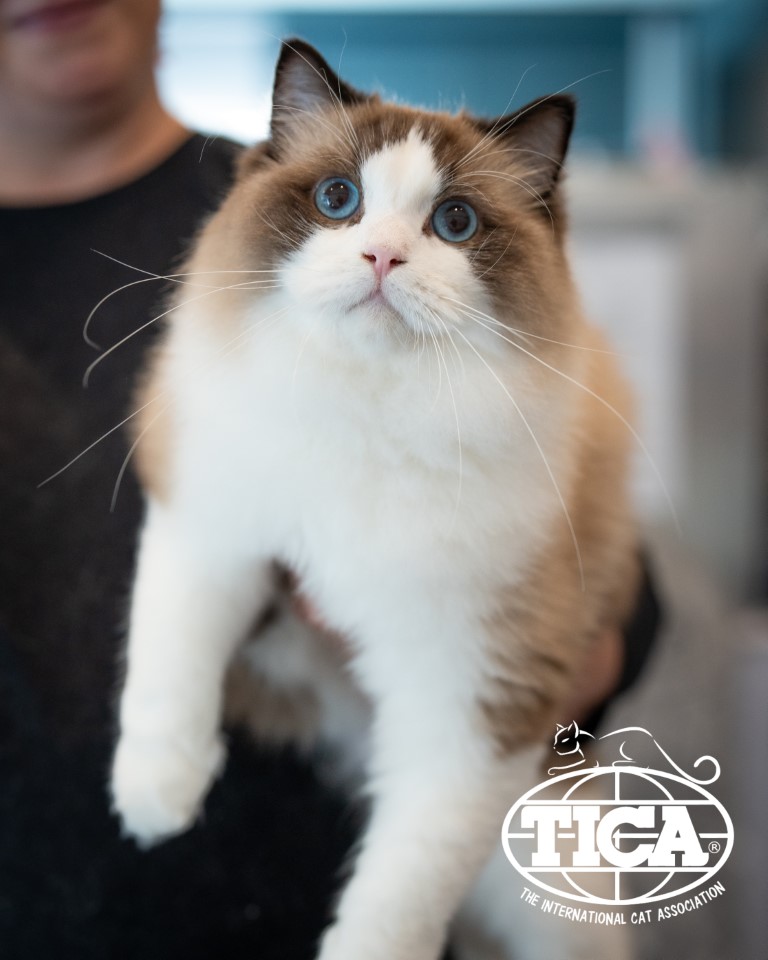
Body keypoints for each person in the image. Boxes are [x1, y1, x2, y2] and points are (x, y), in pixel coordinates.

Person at [0, 4, 660, 957]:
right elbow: (193, 535)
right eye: (341, 202)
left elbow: (625, 621)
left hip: (357, 847)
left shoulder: (517, 397)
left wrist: (556, 673)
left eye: (455, 220)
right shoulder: (239, 269)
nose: (384, 249)